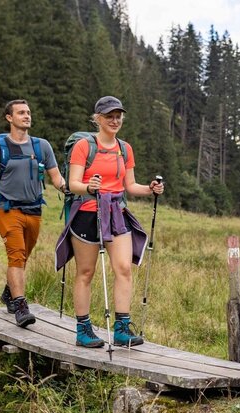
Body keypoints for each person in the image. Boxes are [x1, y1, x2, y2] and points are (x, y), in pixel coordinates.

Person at [54, 96, 164, 348]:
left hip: (116, 213)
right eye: (109, 116)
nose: (115, 121)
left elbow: (130, 186)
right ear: (98, 118)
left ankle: (122, 330)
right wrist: (89, 188)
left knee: (124, 268)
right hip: (87, 213)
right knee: (86, 272)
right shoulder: (84, 146)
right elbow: (73, 184)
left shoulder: (125, 149)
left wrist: (150, 188)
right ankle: (83, 330)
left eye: (118, 116)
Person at [0, 99, 65, 327]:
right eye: (21, 113)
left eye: (28, 112)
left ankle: (8, 293)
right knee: (16, 256)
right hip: (7, 209)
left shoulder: (41, 146)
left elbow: (56, 179)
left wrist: (71, 188)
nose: (27, 116)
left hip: (34, 210)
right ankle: (21, 307)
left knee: (23, 257)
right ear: (9, 118)